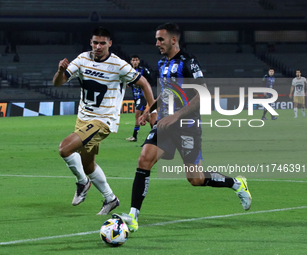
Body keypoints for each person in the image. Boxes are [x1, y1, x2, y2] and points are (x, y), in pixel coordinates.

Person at [112, 23, 252, 232]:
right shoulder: (162, 63)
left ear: (173, 40)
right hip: (166, 124)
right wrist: (149, 110)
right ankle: (133, 217)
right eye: (156, 39)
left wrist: (177, 115)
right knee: (144, 159)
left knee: (195, 179)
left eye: (161, 39)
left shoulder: (188, 62)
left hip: (187, 125)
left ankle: (236, 183)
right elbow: (166, 91)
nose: (157, 43)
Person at [52, 27, 154, 215]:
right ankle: (110, 199)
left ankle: (83, 183)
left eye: (102, 43)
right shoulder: (82, 59)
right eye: (95, 42)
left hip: (103, 120)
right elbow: (58, 83)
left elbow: (144, 83)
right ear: (90, 42)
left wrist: (151, 110)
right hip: (83, 118)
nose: (98, 46)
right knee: (87, 163)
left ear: (110, 44)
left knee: (64, 148)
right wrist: (60, 71)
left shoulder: (118, 65)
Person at [126, 55, 156, 142]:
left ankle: (134, 136)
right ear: (131, 62)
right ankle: (156, 129)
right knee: (146, 117)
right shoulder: (129, 71)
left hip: (142, 96)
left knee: (137, 114)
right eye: (133, 60)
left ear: (139, 61)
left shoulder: (143, 70)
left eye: (136, 60)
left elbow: (151, 80)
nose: (135, 62)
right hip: (135, 97)